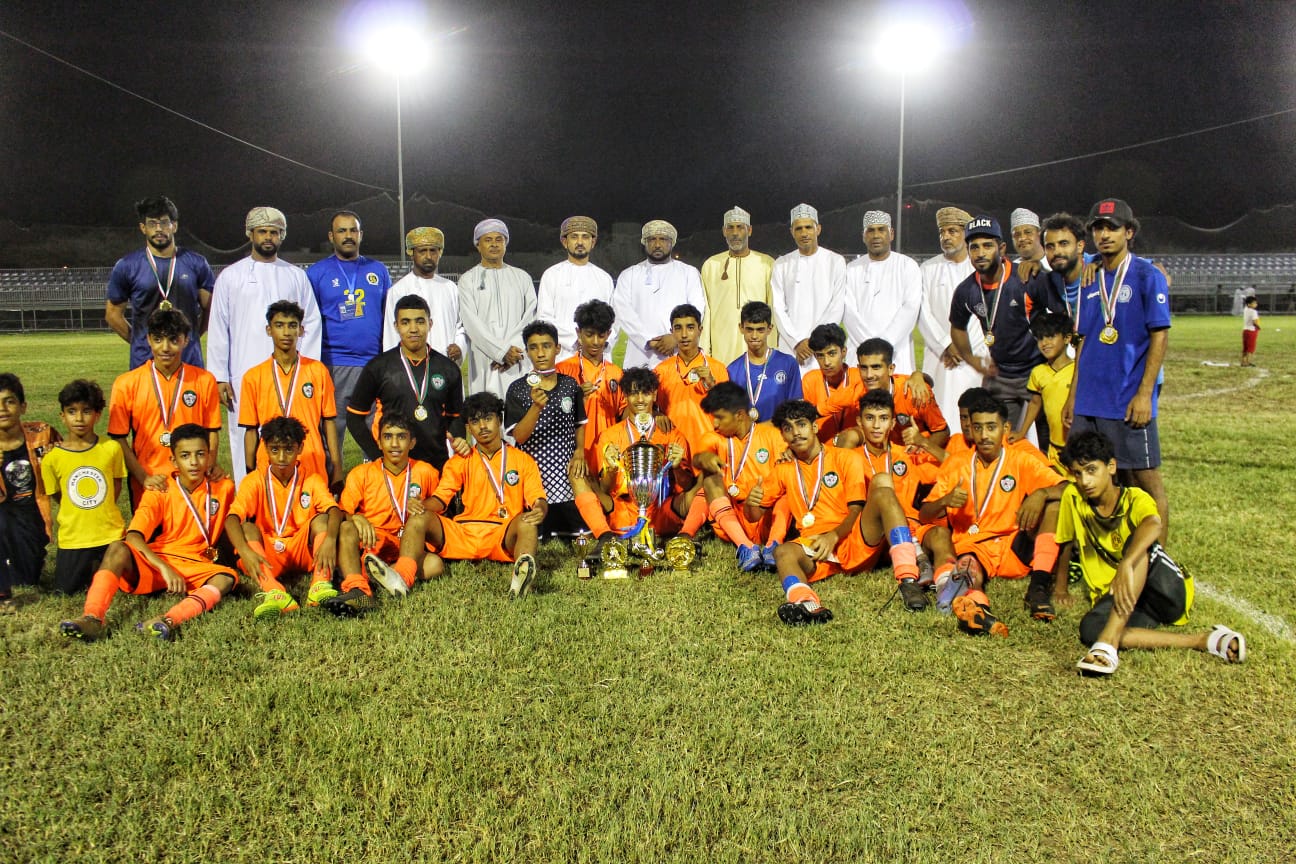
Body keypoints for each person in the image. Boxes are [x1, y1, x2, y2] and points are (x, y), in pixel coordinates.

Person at [1056, 431, 1245, 676]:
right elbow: (1066, 542)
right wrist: (1060, 588)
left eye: (1092, 470)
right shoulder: (1073, 497)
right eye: (1078, 473)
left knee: (1139, 542)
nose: (1085, 481)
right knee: (1090, 628)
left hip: (1165, 592)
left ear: (1111, 466)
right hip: (1126, 599)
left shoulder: (1135, 498)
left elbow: (1153, 524)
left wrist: (1126, 563)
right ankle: (1202, 640)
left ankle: (1107, 645)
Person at [743, 399, 921, 625]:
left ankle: (908, 580)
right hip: (816, 545)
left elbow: (856, 508)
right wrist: (750, 503)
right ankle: (806, 603)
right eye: (788, 428)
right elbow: (754, 516)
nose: (796, 433)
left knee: (884, 493)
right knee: (783, 552)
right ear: (783, 436)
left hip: (852, 537)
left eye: (801, 424)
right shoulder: (783, 469)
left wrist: (834, 535)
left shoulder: (845, 457)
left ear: (814, 427)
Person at [59, 424, 237, 642]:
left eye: (200, 454)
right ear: (173, 460)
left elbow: (232, 526)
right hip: (159, 561)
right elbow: (134, 536)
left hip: (196, 564)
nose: (193, 462)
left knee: (225, 578)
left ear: (209, 457)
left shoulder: (224, 487)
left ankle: (169, 620)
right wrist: (163, 567)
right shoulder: (159, 489)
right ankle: (92, 617)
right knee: (117, 548)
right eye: (185, 455)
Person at [1063, 198, 1171, 543]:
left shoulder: (1147, 276)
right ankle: (1109, 548)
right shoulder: (1089, 277)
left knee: (1144, 480)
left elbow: (1159, 336)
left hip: (1126, 398)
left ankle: (1158, 560)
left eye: (1112, 227)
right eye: (1098, 228)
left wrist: (1145, 394)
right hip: (1089, 401)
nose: (1105, 234)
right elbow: (1083, 341)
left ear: (1129, 232)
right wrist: (1073, 396)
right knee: (1092, 478)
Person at [918, 394, 1065, 635]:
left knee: (1055, 505)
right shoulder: (957, 463)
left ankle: (1038, 588)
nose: (984, 435)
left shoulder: (1021, 460)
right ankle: (978, 611)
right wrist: (944, 501)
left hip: (1013, 544)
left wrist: (1041, 493)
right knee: (967, 568)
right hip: (975, 546)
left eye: (991, 427)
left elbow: (1067, 487)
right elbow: (924, 515)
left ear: (1005, 429)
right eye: (978, 428)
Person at [207, 206, 322, 482]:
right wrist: (220, 376)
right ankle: (248, 494)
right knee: (244, 436)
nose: (268, 237)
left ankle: (294, 497)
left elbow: (311, 322)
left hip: (290, 376)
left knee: (291, 436)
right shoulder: (230, 276)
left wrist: (307, 371)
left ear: (282, 236)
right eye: (262, 231)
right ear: (250, 234)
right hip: (244, 374)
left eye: (274, 232)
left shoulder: (296, 275)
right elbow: (219, 327)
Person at [419, 393, 547, 599]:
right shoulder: (461, 460)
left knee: (527, 522)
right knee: (420, 518)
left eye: (488, 418)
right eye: (475, 421)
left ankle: (521, 580)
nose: (482, 426)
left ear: (499, 420)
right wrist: (420, 506)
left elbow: (537, 498)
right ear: (468, 428)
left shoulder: (523, 460)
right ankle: (403, 573)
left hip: (502, 532)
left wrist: (540, 509)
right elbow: (440, 500)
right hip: (464, 533)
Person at [568, 367, 703, 551]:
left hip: (662, 511)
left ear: (654, 395)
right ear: (625, 396)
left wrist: (677, 467)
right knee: (576, 474)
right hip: (621, 510)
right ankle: (605, 535)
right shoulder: (610, 435)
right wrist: (611, 469)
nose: (640, 400)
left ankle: (685, 536)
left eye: (645, 393)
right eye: (633, 393)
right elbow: (605, 489)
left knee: (708, 479)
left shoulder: (671, 433)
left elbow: (687, 486)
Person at [325, 413, 443, 617]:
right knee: (346, 528)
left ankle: (376, 576)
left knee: (435, 564)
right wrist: (356, 517)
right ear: (378, 442)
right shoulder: (361, 473)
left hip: (408, 546)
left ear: (412, 442)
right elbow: (342, 512)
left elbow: (437, 513)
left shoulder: (426, 472)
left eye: (401, 437)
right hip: (372, 543)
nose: (394, 444)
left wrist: (423, 507)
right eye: (388, 437)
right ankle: (359, 590)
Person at [224, 417, 342, 619]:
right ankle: (274, 591)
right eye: (274, 449)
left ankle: (319, 585)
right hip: (268, 554)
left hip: (302, 551)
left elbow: (334, 511)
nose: (281, 457)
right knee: (247, 529)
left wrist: (330, 539)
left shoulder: (311, 479)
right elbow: (231, 519)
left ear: (300, 448)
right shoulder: (254, 480)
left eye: (288, 449)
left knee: (322, 520)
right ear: (265, 449)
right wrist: (244, 550)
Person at [107, 308, 222, 507]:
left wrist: (209, 464)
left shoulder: (204, 380)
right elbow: (119, 438)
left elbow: (212, 431)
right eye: (158, 339)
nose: (165, 348)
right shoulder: (126, 383)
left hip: (192, 479)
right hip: (149, 481)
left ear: (186, 340)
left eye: (173, 340)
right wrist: (143, 477)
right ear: (149, 340)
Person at [948, 215, 1044, 436]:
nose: (980, 253)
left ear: (1001, 248)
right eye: (974, 247)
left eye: (987, 246)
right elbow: (957, 326)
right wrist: (971, 358)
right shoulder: (966, 290)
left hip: (1038, 371)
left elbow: (1061, 311)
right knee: (997, 439)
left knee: (1052, 439)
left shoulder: (1026, 277)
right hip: (1000, 374)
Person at [349, 295, 466, 473]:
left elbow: (455, 416)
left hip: (436, 466)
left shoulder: (448, 368)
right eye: (405, 322)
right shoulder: (378, 367)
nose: (413, 329)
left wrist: (458, 439)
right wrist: (377, 455)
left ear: (430, 324)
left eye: (420, 321)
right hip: (394, 469)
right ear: (396, 326)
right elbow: (354, 417)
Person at [848, 389, 942, 607]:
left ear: (892, 423)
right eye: (869, 418)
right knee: (882, 485)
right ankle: (916, 560)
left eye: (883, 419)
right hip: (871, 537)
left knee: (937, 534)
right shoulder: (847, 458)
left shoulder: (907, 454)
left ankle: (913, 579)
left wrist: (924, 442)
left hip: (904, 536)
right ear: (859, 422)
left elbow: (956, 468)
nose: (876, 426)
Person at [306, 210, 391, 447]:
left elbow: (388, 316)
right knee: (330, 434)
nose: (348, 236)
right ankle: (332, 473)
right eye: (342, 231)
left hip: (372, 364)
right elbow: (309, 321)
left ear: (361, 234)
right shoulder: (316, 273)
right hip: (333, 363)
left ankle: (378, 472)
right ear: (331, 236)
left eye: (353, 230)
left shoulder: (378, 270)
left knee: (378, 434)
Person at [237, 301, 341, 488]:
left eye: (292, 326)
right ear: (269, 330)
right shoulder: (253, 377)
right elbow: (250, 430)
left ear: (301, 330)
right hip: (269, 463)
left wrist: (337, 467)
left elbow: (329, 422)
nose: (286, 332)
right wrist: (250, 471)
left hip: (311, 461)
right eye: (279, 325)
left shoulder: (318, 371)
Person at [105, 195, 214, 370]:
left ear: (174, 226)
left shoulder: (197, 263)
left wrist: (190, 337)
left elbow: (210, 308)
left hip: (188, 360)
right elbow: (112, 315)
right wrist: (140, 341)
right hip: (144, 363)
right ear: (143, 228)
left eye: (164, 223)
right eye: (152, 224)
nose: (158, 229)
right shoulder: (127, 266)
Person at [40, 380, 126, 594]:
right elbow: (59, 496)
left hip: (111, 535)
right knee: (66, 591)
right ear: (62, 416)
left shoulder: (111, 448)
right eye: (72, 411)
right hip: (74, 538)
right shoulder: (52, 458)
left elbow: (115, 485)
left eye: (86, 411)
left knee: (124, 586)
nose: (79, 418)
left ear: (97, 415)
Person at [693, 382, 788, 571]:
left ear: (739, 415)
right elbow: (698, 458)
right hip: (733, 517)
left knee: (789, 482)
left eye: (720, 418)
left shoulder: (773, 435)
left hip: (766, 514)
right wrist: (704, 458)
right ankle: (745, 547)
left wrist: (762, 497)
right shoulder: (713, 438)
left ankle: (774, 545)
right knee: (710, 480)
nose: (715, 424)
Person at [505, 321, 587, 537]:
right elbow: (519, 437)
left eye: (546, 346)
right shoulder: (517, 389)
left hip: (566, 477)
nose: (540, 353)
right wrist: (536, 407)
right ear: (527, 351)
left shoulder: (570, 385)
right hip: (534, 478)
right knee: (535, 533)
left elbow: (580, 423)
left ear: (557, 348)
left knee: (581, 535)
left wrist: (580, 451)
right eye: (533, 347)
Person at [457, 218, 536, 398]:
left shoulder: (522, 278)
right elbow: (471, 323)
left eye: (499, 239)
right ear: (478, 245)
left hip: (517, 356)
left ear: (505, 243)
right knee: (486, 409)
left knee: (519, 407)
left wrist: (512, 350)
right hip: (484, 358)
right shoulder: (468, 280)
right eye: (488, 240)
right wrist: (500, 352)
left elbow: (530, 318)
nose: (494, 244)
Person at [917, 206, 981, 428]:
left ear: (966, 234)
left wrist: (963, 347)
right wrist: (946, 344)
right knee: (940, 414)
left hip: (975, 354)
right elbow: (922, 312)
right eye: (942, 232)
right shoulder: (928, 268)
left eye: (952, 231)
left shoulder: (979, 267)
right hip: (940, 355)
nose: (946, 237)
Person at [613, 220, 706, 370]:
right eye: (652, 239)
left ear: (672, 243)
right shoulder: (629, 275)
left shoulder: (689, 273)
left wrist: (676, 337)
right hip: (640, 354)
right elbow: (623, 312)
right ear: (644, 243)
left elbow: (696, 309)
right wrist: (647, 341)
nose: (657, 244)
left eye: (663, 239)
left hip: (679, 351)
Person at [0, 373, 59, 601]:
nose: (2, 409)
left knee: (26, 580)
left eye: (9, 401)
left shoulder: (43, 434)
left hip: (31, 519)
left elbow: (70, 461)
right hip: (3, 515)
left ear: (23, 406)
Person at [770, 203, 846, 377]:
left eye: (808, 227)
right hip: (791, 349)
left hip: (823, 349)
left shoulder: (835, 261)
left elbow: (836, 306)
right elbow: (778, 308)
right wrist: (797, 342)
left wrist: (814, 342)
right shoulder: (781, 264)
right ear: (792, 232)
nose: (804, 233)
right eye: (798, 229)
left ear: (818, 229)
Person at [842, 210, 922, 375]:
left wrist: (884, 345)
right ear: (864, 236)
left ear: (891, 234)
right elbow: (848, 311)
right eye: (871, 230)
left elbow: (911, 308)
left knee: (896, 391)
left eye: (881, 230)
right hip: (859, 352)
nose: (876, 235)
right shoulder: (851, 269)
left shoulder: (907, 266)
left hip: (897, 353)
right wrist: (869, 347)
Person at [699, 206, 776, 364]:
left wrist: (772, 349)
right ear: (724, 231)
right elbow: (706, 312)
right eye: (730, 228)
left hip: (758, 346)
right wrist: (705, 351)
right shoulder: (711, 265)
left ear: (749, 230)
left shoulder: (767, 264)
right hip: (721, 347)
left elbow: (773, 309)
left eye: (740, 227)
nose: (735, 233)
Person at [556, 300, 626, 474]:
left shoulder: (617, 374)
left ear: (609, 334)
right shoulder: (562, 370)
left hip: (607, 453)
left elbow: (624, 415)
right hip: (572, 454)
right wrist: (575, 398)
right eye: (589, 334)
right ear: (578, 332)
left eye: (601, 335)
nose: (595, 341)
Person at [536, 216, 615, 361]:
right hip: (563, 354)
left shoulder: (604, 278)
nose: (580, 242)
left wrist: (596, 341)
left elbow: (613, 320)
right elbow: (544, 318)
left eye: (585, 237)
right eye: (574, 237)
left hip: (597, 355)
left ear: (593, 242)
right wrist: (576, 339)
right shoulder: (552, 275)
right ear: (565, 242)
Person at [383, 227, 465, 364]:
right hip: (411, 367)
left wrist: (459, 346)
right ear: (411, 253)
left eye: (433, 250)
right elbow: (391, 335)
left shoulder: (450, 288)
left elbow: (460, 326)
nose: (428, 256)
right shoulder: (398, 290)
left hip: (446, 364)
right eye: (422, 251)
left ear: (440, 253)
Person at [850, 337, 947, 452]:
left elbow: (942, 431)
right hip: (880, 454)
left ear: (891, 369)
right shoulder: (854, 391)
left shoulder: (915, 393)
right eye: (864, 368)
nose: (869, 375)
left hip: (915, 456)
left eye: (876, 367)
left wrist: (921, 447)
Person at [653, 304, 729, 448]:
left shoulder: (718, 368)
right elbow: (646, 407)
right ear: (671, 332)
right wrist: (655, 415)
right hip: (673, 449)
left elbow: (728, 411)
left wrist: (712, 386)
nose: (684, 334)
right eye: (678, 328)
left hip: (707, 448)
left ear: (700, 330)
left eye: (690, 327)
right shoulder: (661, 370)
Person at [1010, 312, 1075, 469]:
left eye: (1050, 337)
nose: (1044, 343)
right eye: (1040, 338)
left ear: (1067, 338)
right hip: (1054, 449)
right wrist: (1022, 432)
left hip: (1077, 449)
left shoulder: (1077, 371)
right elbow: (1035, 403)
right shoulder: (1038, 372)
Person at [725, 301, 802, 423]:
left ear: (769, 329)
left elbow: (796, 410)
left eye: (760, 330)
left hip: (779, 433)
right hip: (746, 434)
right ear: (741, 328)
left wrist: (766, 429)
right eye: (749, 330)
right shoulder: (732, 370)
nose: (754, 336)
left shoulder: (788, 364)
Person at [801, 324, 863, 443]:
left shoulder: (859, 377)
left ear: (843, 352)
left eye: (832, 353)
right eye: (820, 356)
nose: (826, 362)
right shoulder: (810, 380)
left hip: (855, 448)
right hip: (821, 448)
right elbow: (804, 419)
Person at [1241, 295, 1261, 367]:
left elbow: (1246, 305)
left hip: (1245, 330)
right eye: (1254, 303)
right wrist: (1258, 327)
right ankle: (1248, 362)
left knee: (1245, 348)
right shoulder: (1254, 312)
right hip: (1252, 331)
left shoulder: (1245, 309)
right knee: (1250, 348)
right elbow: (1255, 322)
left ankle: (1243, 362)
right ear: (1249, 304)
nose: (1256, 304)